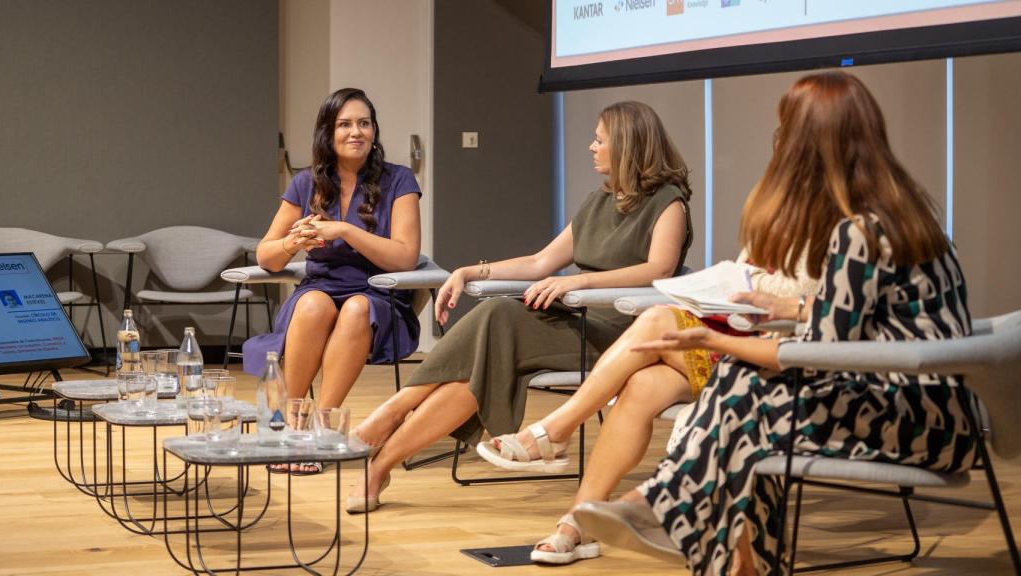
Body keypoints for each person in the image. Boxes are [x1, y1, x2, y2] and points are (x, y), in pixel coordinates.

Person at [573, 71, 976, 576]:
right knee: (744, 391)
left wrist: (717, 338)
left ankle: (670, 508)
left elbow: (826, 355)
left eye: (785, 130)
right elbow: (869, 323)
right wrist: (798, 310)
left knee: (745, 390)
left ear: (805, 145)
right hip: (930, 410)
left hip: (918, 426)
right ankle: (687, 523)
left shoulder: (860, 233)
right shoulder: (906, 214)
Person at [346, 101, 694, 513]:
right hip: (574, 319)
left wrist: (580, 280)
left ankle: (392, 415)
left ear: (627, 145)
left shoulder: (668, 202)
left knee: (500, 315)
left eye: (600, 140)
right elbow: (539, 262)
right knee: (483, 362)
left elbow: (659, 268)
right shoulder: (597, 202)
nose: (591, 147)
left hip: (621, 332)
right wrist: (470, 272)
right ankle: (380, 464)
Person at [473, 257, 817, 565]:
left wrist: (745, 279)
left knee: (656, 319)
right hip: (742, 344)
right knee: (642, 385)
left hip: (781, 357)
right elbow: (744, 279)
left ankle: (556, 433)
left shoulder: (839, 228)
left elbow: (801, 294)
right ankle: (578, 520)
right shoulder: (779, 218)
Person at [245, 88, 422, 474]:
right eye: (345, 124)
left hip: (378, 296)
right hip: (320, 290)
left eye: (364, 123)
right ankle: (292, 424)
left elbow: (406, 255)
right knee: (312, 303)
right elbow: (266, 254)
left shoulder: (400, 180)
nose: (355, 132)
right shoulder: (306, 183)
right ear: (328, 131)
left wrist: (344, 229)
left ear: (374, 131)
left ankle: (323, 428)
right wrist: (294, 241)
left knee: (357, 308)